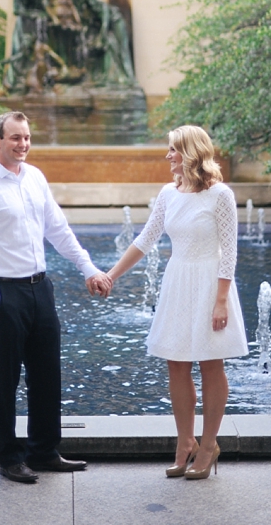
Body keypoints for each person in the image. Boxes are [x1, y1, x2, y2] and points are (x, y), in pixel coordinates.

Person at [0, 110, 112, 484]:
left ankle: (43, 451)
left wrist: (89, 268)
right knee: (7, 379)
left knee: (47, 375)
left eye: (27, 137)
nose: (23, 144)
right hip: (5, 291)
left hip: (41, 288)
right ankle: (10, 458)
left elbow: (58, 230)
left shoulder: (36, 178)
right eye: (15, 138)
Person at [106, 125, 248, 480]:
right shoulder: (168, 193)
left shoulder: (221, 195)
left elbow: (230, 252)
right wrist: (111, 275)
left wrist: (221, 301)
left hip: (210, 283)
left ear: (191, 153)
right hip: (178, 281)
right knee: (176, 365)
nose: (167, 155)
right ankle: (186, 442)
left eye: (173, 149)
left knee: (210, 365)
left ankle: (210, 443)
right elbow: (145, 240)